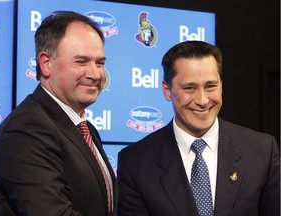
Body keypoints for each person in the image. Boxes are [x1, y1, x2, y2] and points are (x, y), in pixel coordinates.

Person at [117, 40, 280, 216]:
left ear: (221, 85)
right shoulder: (135, 163)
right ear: (166, 89)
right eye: (189, 88)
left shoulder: (262, 151)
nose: (202, 100)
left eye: (210, 86)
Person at [0, 11, 117, 216]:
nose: (95, 74)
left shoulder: (83, 127)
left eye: (100, 63)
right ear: (46, 63)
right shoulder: (25, 130)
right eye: (81, 62)